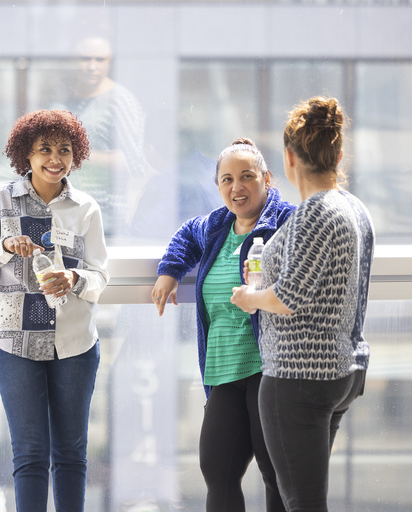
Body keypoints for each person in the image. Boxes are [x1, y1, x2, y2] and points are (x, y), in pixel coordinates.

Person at [0, 109, 109, 512]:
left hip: (74, 343)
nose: (55, 158)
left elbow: (100, 275)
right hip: (14, 343)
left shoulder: (86, 207)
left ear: (76, 155)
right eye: (45, 149)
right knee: (29, 455)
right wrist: (3, 247)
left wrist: (74, 280)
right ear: (26, 153)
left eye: (64, 149)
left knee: (72, 455)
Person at [231, 97, 375, 512]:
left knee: (302, 502)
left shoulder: (316, 212)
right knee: (301, 497)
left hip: (298, 376)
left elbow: (286, 299)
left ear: (289, 158)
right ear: (338, 155)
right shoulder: (355, 208)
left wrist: (248, 298)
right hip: (341, 369)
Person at [152, 138, 295, 512]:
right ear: (217, 186)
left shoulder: (285, 220)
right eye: (227, 179)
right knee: (217, 470)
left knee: (276, 475)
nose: (237, 187)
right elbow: (184, 237)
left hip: (271, 368)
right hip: (224, 370)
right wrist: (169, 272)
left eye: (247, 177)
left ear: (267, 179)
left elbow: (302, 281)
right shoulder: (217, 226)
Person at [63, 34, 153, 237]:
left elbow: (136, 162)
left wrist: (78, 154)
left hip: (104, 215)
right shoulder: (65, 96)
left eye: (100, 59)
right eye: (85, 59)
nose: (92, 66)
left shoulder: (120, 101)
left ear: (110, 61)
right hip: (64, 213)